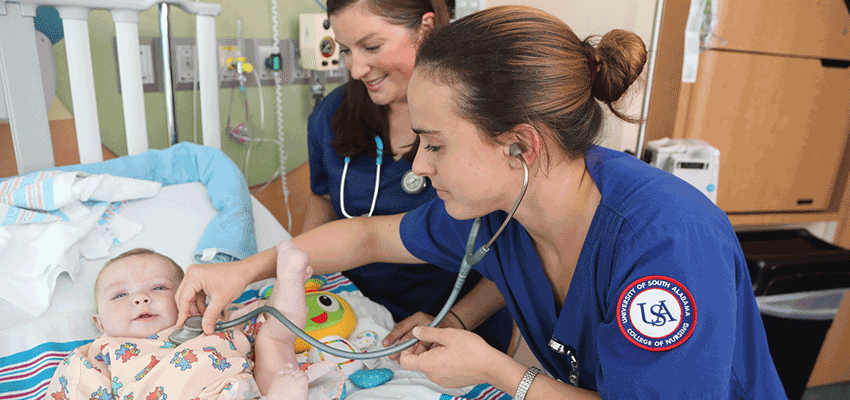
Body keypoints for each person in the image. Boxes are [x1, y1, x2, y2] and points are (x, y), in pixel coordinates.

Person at [176, 5, 786, 399]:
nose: (419, 166)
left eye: (436, 145)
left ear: (520, 145)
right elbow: (366, 236)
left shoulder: (665, 238)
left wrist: (498, 372)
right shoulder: (502, 207)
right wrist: (246, 269)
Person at [302, 0, 513, 357]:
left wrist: (452, 322)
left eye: (371, 47)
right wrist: (303, 280)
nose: (356, 69)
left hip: (459, 321)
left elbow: (516, 245)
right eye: (345, 50)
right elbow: (322, 197)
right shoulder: (331, 115)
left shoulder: (481, 116)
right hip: (354, 316)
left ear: (425, 28)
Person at [46, 247, 340, 400]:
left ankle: (289, 280)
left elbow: (274, 326)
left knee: (273, 341)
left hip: (253, 390)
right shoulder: (97, 355)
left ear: (188, 296)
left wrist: (282, 295)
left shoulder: (211, 320)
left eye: (159, 288)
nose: (141, 299)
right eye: (121, 295)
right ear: (99, 322)